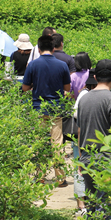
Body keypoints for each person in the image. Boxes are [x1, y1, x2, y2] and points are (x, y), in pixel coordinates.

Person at [22, 34, 72, 186]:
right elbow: (67, 89)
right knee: (57, 143)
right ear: (53, 48)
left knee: (40, 143)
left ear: (38, 48)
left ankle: (39, 176)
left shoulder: (33, 65)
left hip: (38, 108)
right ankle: (61, 178)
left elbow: (25, 87)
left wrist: (34, 85)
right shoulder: (62, 65)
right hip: (56, 109)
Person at [76, 59, 111, 205]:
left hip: (87, 158)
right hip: (106, 160)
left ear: (95, 77)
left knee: (92, 203)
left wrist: (80, 158)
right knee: (107, 205)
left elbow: (80, 131)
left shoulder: (83, 99)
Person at [69, 72, 96, 213]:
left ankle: (84, 204)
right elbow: (76, 115)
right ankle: (81, 205)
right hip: (83, 137)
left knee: (82, 170)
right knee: (80, 170)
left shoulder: (84, 94)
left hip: (84, 137)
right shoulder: (85, 95)